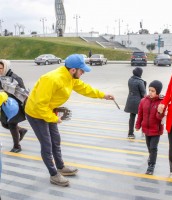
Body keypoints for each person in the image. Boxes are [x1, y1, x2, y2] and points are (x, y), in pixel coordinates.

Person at [25, 54, 115, 187]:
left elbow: (84, 88)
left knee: (56, 140)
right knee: (47, 144)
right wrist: (54, 118)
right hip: (36, 113)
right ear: (73, 70)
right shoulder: (50, 79)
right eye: (82, 70)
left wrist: (103, 95)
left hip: (48, 111)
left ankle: (60, 167)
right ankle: (54, 174)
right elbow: (39, 105)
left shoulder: (70, 77)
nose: (83, 73)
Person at [135, 80, 165, 175]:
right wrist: (138, 125)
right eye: (149, 90)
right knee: (149, 147)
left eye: (153, 91)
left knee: (153, 148)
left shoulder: (161, 102)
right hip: (146, 129)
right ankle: (151, 156)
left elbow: (160, 117)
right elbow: (140, 114)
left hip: (156, 130)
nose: (150, 92)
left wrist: (160, 112)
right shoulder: (143, 101)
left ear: (158, 92)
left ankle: (151, 166)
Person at [0, 60, 27, 153]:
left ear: (6, 67)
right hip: (5, 105)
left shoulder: (15, 78)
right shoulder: (1, 77)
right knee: (4, 123)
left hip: (15, 106)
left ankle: (17, 146)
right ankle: (21, 130)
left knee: (12, 124)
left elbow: (23, 92)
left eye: (0, 68)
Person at [124, 67, 146, 139]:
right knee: (142, 117)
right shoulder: (140, 81)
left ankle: (130, 133)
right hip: (139, 102)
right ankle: (144, 132)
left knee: (132, 117)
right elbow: (143, 93)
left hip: (130, 101)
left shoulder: (130, 79)